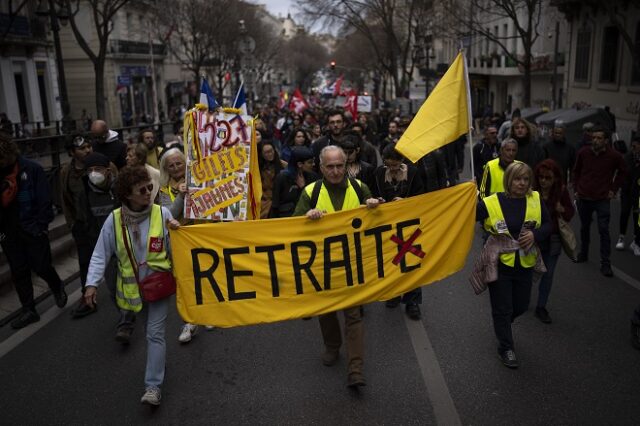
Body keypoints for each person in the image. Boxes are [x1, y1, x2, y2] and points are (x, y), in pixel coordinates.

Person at [83, 166, 180, 406]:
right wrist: (91, 284)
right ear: (127, 194)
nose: (149, 193)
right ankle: (158, 361)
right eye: (142, 190)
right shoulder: (114, 220)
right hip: (134, 290)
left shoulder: (163, 214)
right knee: (150, 331)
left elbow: (178, 248)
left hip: (158, 286)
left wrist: (179, 233)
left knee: (154, 334)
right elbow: (100, 254)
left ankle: (153, 386)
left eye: (150, 187)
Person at [292, 145, 381, 388]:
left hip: (353, 264)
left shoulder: (360, 188)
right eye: (330, 166)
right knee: (327, 311)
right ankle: (332, 347)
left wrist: (375, 205)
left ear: (346, 164)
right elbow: (292, 227)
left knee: (353, 316)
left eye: (339, 165)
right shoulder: (310, 192)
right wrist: (307, 216)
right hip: (322, 266)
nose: (335, 171)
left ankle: (355, 368)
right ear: (321, 168)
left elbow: (377, 222)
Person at [476, 162, 551, 368]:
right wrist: (468, 196)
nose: (522, 183)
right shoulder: (492, 202)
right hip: (499, 264)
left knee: (521, 306)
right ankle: (506, 347)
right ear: (509, 181)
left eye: (526, 179)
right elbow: (466, 216)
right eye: (517, 179)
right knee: (502, 308)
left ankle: (503, 326)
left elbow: (548, 224)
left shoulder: (535, 198)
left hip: (524, 264)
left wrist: (536, 234)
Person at [0, 132, 67, 328]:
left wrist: (41, 226)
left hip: (32, 228)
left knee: (41, 266)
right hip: (9, 232)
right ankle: (29, 310)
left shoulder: (32, 169)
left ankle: (56, 285)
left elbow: (44, 200)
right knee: (18, 271)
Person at [373, 144, 424, 319]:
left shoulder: (414, 172)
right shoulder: (379, 173)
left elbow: (422, 196)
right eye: (390, 166)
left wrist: (405, 201)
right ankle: (393, 294)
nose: (393, 169)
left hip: (409, 226)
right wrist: (378, 200)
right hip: (388, 226)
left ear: (402, 162)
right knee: (391, 262)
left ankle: (412, 302)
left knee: (411, 263)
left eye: (396, 166)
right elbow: (373, 192)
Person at [573, 126, 627, 277]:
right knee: (584, 227)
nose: (595, 140)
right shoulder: (584, 152)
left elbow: (623, 172)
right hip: (584, 196)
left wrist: (613, 189)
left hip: (602, 198)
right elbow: (576, 171)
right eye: (593, 137)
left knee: (603, 229)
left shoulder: (614, 156)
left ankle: (606, 263)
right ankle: (583, 253)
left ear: (606, 140)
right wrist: (576, 188)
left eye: (599, 138)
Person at [532, 159, 575, 323]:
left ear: (555, 178)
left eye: (548, 178)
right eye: (541, 177)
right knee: (529, 271)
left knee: (548, 274)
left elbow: (570, 213)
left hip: (554, 240)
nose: (543, 181)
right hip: (534, 238)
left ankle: (541, 307)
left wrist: (562, 209)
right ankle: (520, 299)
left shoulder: (561, 191)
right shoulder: (532, 190)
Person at [271, 146, 318, 218]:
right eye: (310, 162)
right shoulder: (282, 177)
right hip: (286, 220)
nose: (313, 164)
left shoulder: (313, 177)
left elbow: (314, 201)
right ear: (299, 164)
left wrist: (303, 188)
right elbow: (275, 205)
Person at [616, 136, 640, 255]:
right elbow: (623, 173)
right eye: (633, 146)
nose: (634, 148)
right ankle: (621, 237)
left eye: (636, 146)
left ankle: (636, 241)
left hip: (638, 193)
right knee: (625, 212)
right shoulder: (627, 158)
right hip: (626, 191)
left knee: (638, 217)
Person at [258, 140, 283, 219]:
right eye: (266, 152)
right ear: (261, 154)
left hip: (279, 200)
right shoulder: (258, 168)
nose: (270, 154)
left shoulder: (283, 165)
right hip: (263, 201)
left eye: (271, 151)